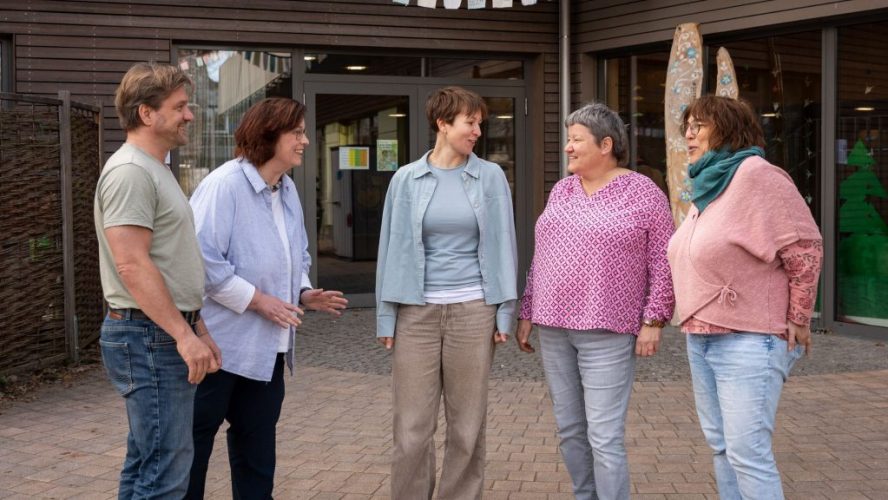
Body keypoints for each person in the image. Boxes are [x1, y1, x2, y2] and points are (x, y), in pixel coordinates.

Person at [185, 97, 348, 499]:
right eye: (297, 133)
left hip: (267, 351)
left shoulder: (286, 188)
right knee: (192, 452)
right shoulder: (224, 185)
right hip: (219, 349)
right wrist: (259, 300)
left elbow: (296, 255)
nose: (305, 141)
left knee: (257, 455)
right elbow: (201, 262)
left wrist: (305, 293)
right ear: (268, 135)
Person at [515, 102, 675, 500]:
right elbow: (543, 254)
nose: (567, 147)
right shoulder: (563, 190)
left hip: (607, 330)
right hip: (553, 327)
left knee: (603, 436)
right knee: (570, 429)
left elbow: (664, 262)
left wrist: (653, 320)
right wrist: (528, 309)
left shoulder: (643, 191)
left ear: (606, 145)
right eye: (567, 139)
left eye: (575, 140)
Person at [668, 95, 823, 500]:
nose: (688, 133)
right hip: (700, 336)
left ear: (728, 129)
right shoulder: (709, 184)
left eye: (698, 125)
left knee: (746, 453)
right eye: (687, 126)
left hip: (749, 337)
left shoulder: (758, 175)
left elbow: (805, 250)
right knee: (722, 449)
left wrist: (800, 318)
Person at [375, 86, 518, 499]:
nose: (477, 131)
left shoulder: (490, 177)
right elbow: (390, 247)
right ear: (443, 123)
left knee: (467, 426)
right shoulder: (405, 179)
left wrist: (504, 311)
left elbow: (504, 244)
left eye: (479, 123)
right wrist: (387, 315)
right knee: (411, 429)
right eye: (470, 122)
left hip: (473, 311)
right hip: (415, 313)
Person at [94, 62, 222, 499]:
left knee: (149, 462)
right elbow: (131, 264)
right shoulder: (131, 172)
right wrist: (182, 336)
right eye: (180, 106)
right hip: (148, 337)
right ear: (146, 114)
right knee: (165, 469)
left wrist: (197, 326)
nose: (189, 115)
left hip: (154, 332)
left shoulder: (153, 168)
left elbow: (167, 260)